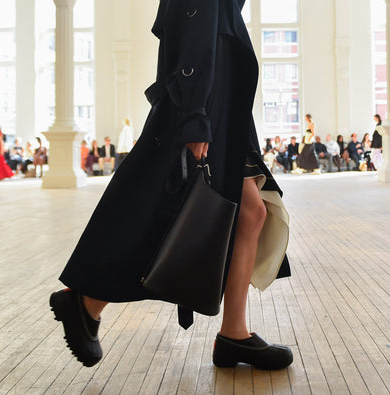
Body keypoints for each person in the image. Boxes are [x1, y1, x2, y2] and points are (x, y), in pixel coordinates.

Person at [49, 0, 293, 371]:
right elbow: (196, 17)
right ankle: (86, 301)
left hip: (222, 98)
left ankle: (234, 333)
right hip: (204, 99)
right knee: (162, 208)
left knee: (251, 212)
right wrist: (195, 115)